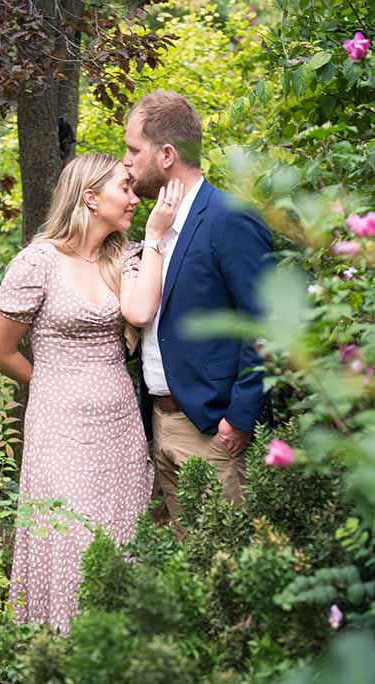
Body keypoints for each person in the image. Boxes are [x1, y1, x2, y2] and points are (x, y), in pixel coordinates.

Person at [0, 152, 185, 632]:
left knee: (122, 537)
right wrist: (51, 381)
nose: (136, 199)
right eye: (126, 189)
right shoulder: (38, 262)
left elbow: (137, 314)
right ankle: (63, 646)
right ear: (90, 198)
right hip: (60, 428)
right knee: (72, 538)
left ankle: (117, 652)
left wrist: (154, 238)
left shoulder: (128, 257)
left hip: (119, 429)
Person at [123, 91, 273, 531]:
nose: (127, 161)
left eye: (134, 150)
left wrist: (240, 418)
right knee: (185, 574)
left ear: (167, 155)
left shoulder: (229, 218)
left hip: (212, 430)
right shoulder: (157, 223)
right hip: (160, 422)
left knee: (224, 570)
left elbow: (264, 322)